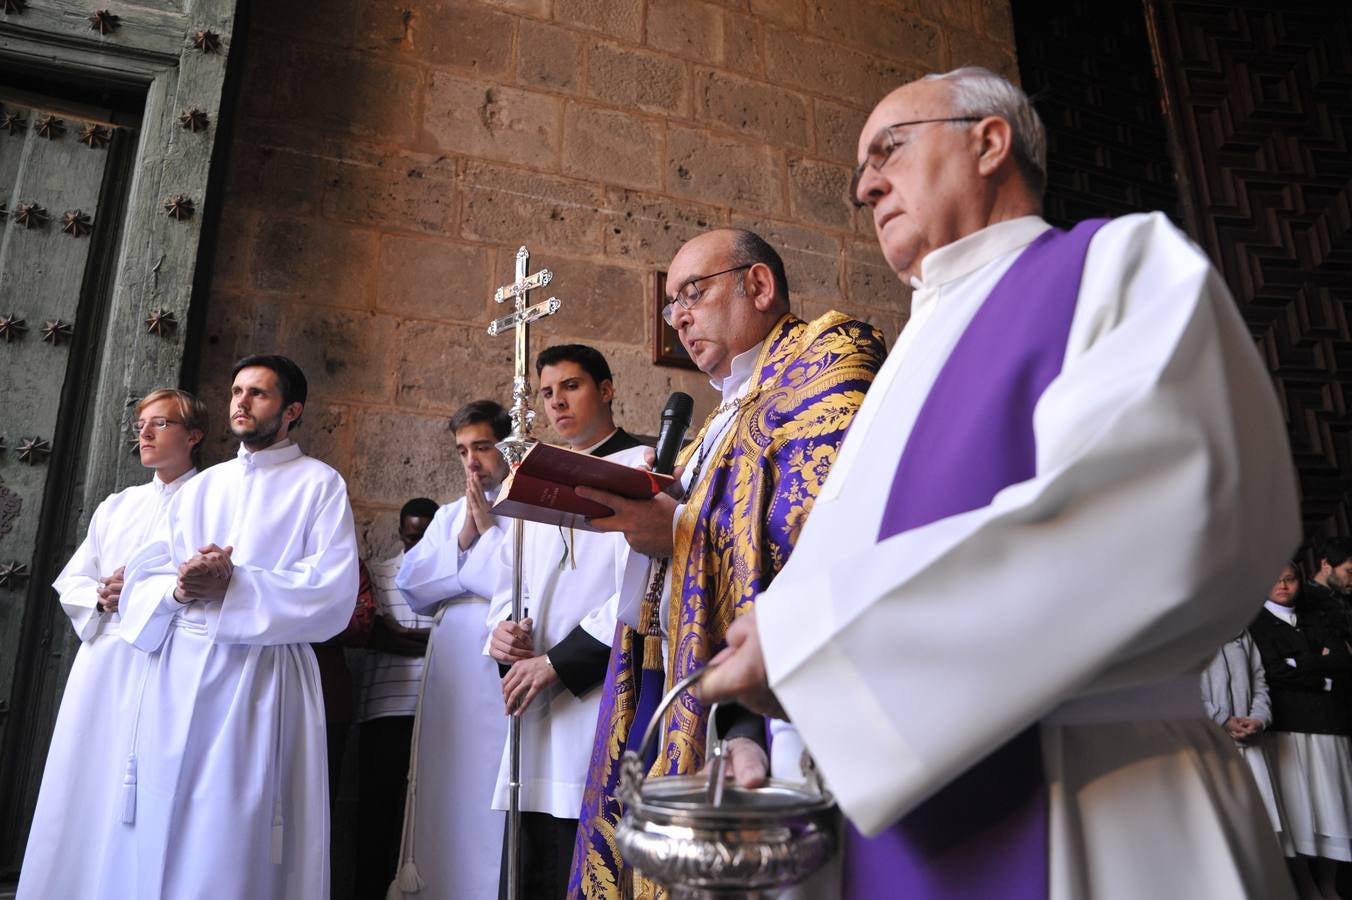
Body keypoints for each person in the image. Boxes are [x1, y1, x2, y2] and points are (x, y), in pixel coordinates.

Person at [698, 66, 1301, 900]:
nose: (866, 186)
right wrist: (754, 721)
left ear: (989, 143)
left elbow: (1164, 511)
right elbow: (827, 572)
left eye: (888, 150)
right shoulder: (900, 363)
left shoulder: (1119, 266)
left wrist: (820, 649)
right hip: (885, 818)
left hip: (1094, 801)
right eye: (861, 172)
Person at [567, 228, 887, 899]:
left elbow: (812, 528)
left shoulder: (830, 359)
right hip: (672, 675)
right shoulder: (716, 422)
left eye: (693, 292)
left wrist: (676, 529)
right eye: (672, 306)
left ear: (758, 285)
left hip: (767, 702)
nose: (679, 317)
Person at [116, 355, 359, 900]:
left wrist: (235, 585)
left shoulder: (319, 485)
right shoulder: (202, 486)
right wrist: (182, 588)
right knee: (165, 813)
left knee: (235, 828)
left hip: (261, 675)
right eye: (236, 391)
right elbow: (147, 575)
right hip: (179, 674)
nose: (241, 402)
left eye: (258, 394)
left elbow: (333, 590)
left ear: (291, 411)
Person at [17, 389, 206, 900]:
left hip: (165, 661)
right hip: (103, 662)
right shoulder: (118, 505)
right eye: (141, 424)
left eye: (160, 423)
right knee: (86, 776)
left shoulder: (211, 501)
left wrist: (148, 594)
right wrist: (101, 598)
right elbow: (73, 579)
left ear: (193, 435)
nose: (144, 432)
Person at [487, 345, 649, 899]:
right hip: (535, 710)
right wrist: (502, 633)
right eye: (547, 392)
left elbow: (642, 582)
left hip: (600, 694)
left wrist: (557, 663)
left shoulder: (643, 468)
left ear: (606, 389)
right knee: (532, 864)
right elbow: (509, 581)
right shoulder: (530, 479)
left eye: (571, 386)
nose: (556, 402)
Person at [387, 400, 514, 900]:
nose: (471, 461)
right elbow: (411, 587)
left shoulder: (533, 509)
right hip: (449, 673)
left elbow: (523, 587)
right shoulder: (447, 515)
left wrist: (487, 537)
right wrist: (464, 537)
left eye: (482, 447)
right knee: (443, 784)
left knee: (486, 789)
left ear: (508, 444)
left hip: (494, 665)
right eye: (462, 450)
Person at [1249, 562, 1352, 899]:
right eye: (1275, 580)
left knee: (1333, 806)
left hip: (1329, 725)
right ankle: (1306, 885)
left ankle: (1329, 884)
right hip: (1288, 728)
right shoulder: (1256, 625)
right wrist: (1322, 675)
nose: (1283, 586)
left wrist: (1301, 663)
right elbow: (1273, 671)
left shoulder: (1315, 617)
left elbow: (1343, 661)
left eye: (1289, 579)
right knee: (1299, 809)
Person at [354, 497, 436, 899]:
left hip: (437, 711)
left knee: (429, 820)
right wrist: (433, 640)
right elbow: (373, 635)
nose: (415, 543)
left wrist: (402, 633)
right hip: (385, 710)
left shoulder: (451, 578)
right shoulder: (381, 573)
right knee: (376, 818)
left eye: (425, 536)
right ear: (400, 532)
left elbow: (466, 638)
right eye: (410, 535)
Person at [1200, 627, 1292, 855]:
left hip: (1250, 745)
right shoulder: (1184, 629)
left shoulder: (1241, 630)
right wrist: (1221, 719)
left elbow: (1259, 680)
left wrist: (1259, 718)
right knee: (1220, 837)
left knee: (1263, 837)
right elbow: (1177, 688)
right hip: (1208, 745)